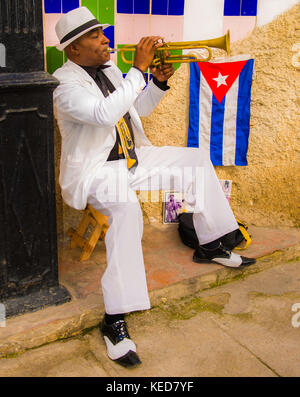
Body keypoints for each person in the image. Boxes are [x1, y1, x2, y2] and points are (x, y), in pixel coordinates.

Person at [52, 7, 256, 368]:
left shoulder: (113, 70)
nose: (105, 39)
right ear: (74, 49)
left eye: (103, 32)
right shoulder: (63, 85)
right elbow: (103, 114)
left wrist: (158, 81)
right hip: (99, 171)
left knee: (195, 160)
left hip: (133, 157)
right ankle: (114, 317)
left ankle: (211, 243)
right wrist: (139, 70)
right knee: (126, 211)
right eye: (95, 35)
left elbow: (137, 110)